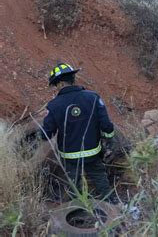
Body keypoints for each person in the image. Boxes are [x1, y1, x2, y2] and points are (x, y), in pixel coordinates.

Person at [40, 63, 116, 202]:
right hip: (93, 153)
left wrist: (41, 132)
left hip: (70, 157)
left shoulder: (53, 105)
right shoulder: (93, 97)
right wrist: (108, 140)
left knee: (75, 186)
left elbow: (46, 134)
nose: (56, 88)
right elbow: (106, 125)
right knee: (100, 179)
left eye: (56, 84)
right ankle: (113, 207)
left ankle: (81, 212)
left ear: (61, 83)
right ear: (72, 79)